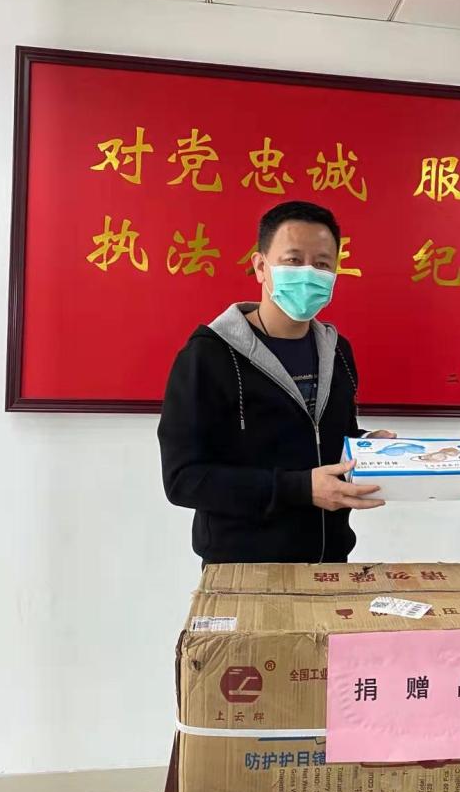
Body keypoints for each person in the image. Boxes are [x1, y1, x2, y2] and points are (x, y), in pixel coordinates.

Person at [158, 201, 394, 565]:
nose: (308, 273)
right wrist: (300, 489)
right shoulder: (208, 356)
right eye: (293, 260)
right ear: (260, 267)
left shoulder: (337, 351)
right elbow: (183, 479)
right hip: (242, 568)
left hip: (330, 563)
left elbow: (323, 439)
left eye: (322, 264)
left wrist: (365, 447)